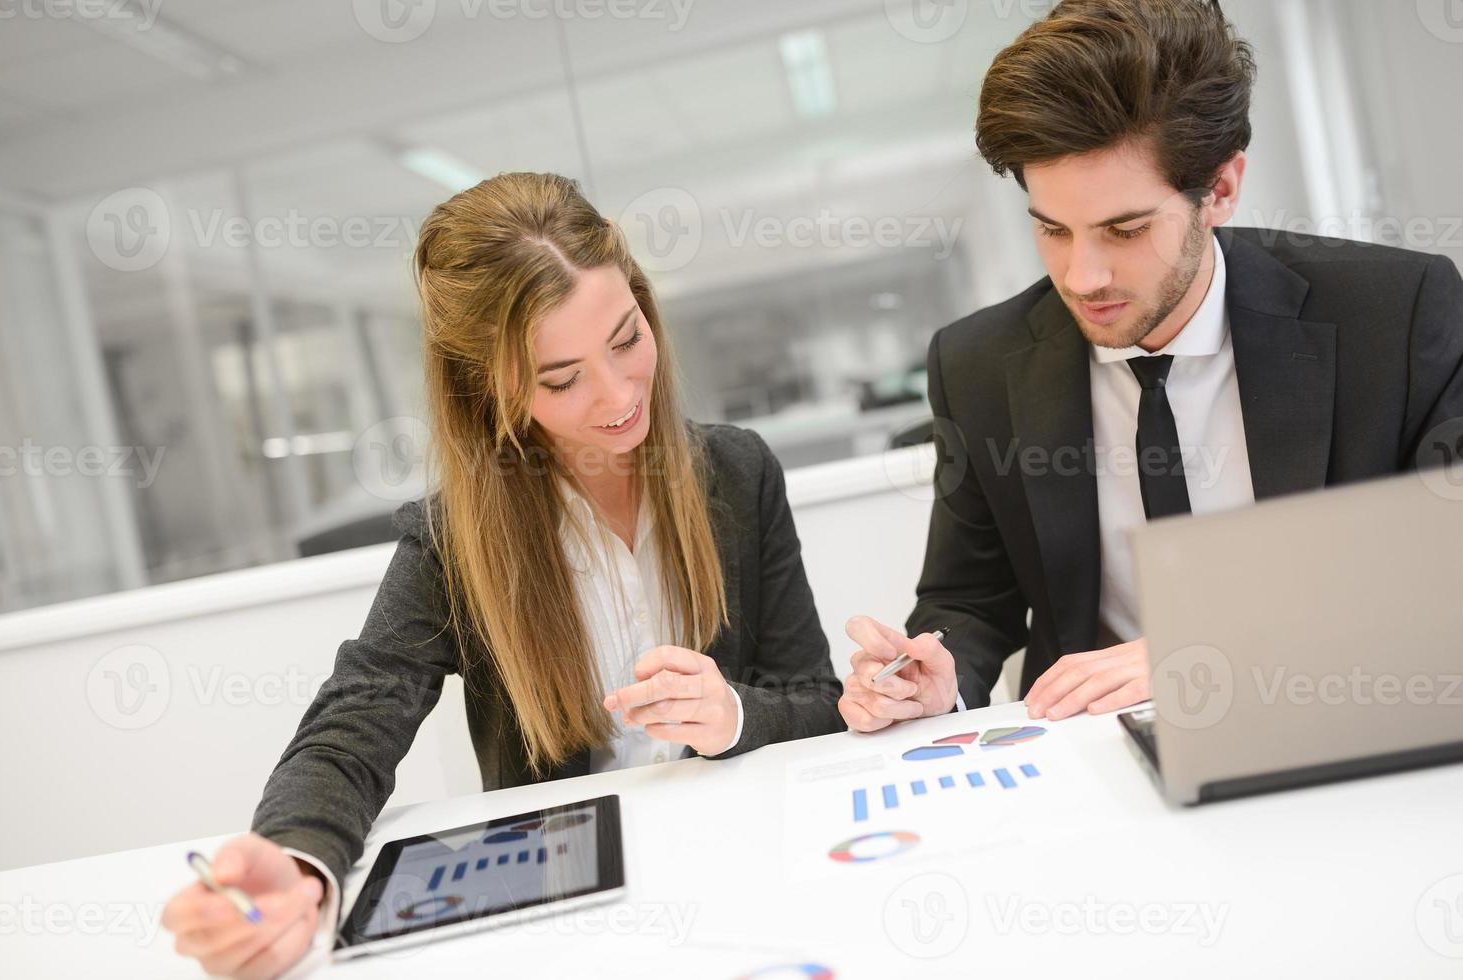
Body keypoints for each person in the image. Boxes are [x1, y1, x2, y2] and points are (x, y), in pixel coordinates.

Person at [161, 171, 844, 979]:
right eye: (561, 379)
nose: (620, 393)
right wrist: (299, 863)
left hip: (742, 866)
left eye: (626, 338)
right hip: (574, 917)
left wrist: (730, 714)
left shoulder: (737, 472)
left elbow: (817, 698)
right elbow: (350, 731)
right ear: (490, 387)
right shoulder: (457, 540)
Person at [839, 0, 1463, 733]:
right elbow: (970, 599)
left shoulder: (1392, 315)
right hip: (1095, 757)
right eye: (1051, 230)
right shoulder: (978, 363)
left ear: (1219, 191)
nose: (1082, 276)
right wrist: (935, 678)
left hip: (1339, 717)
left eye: (1124, 229)